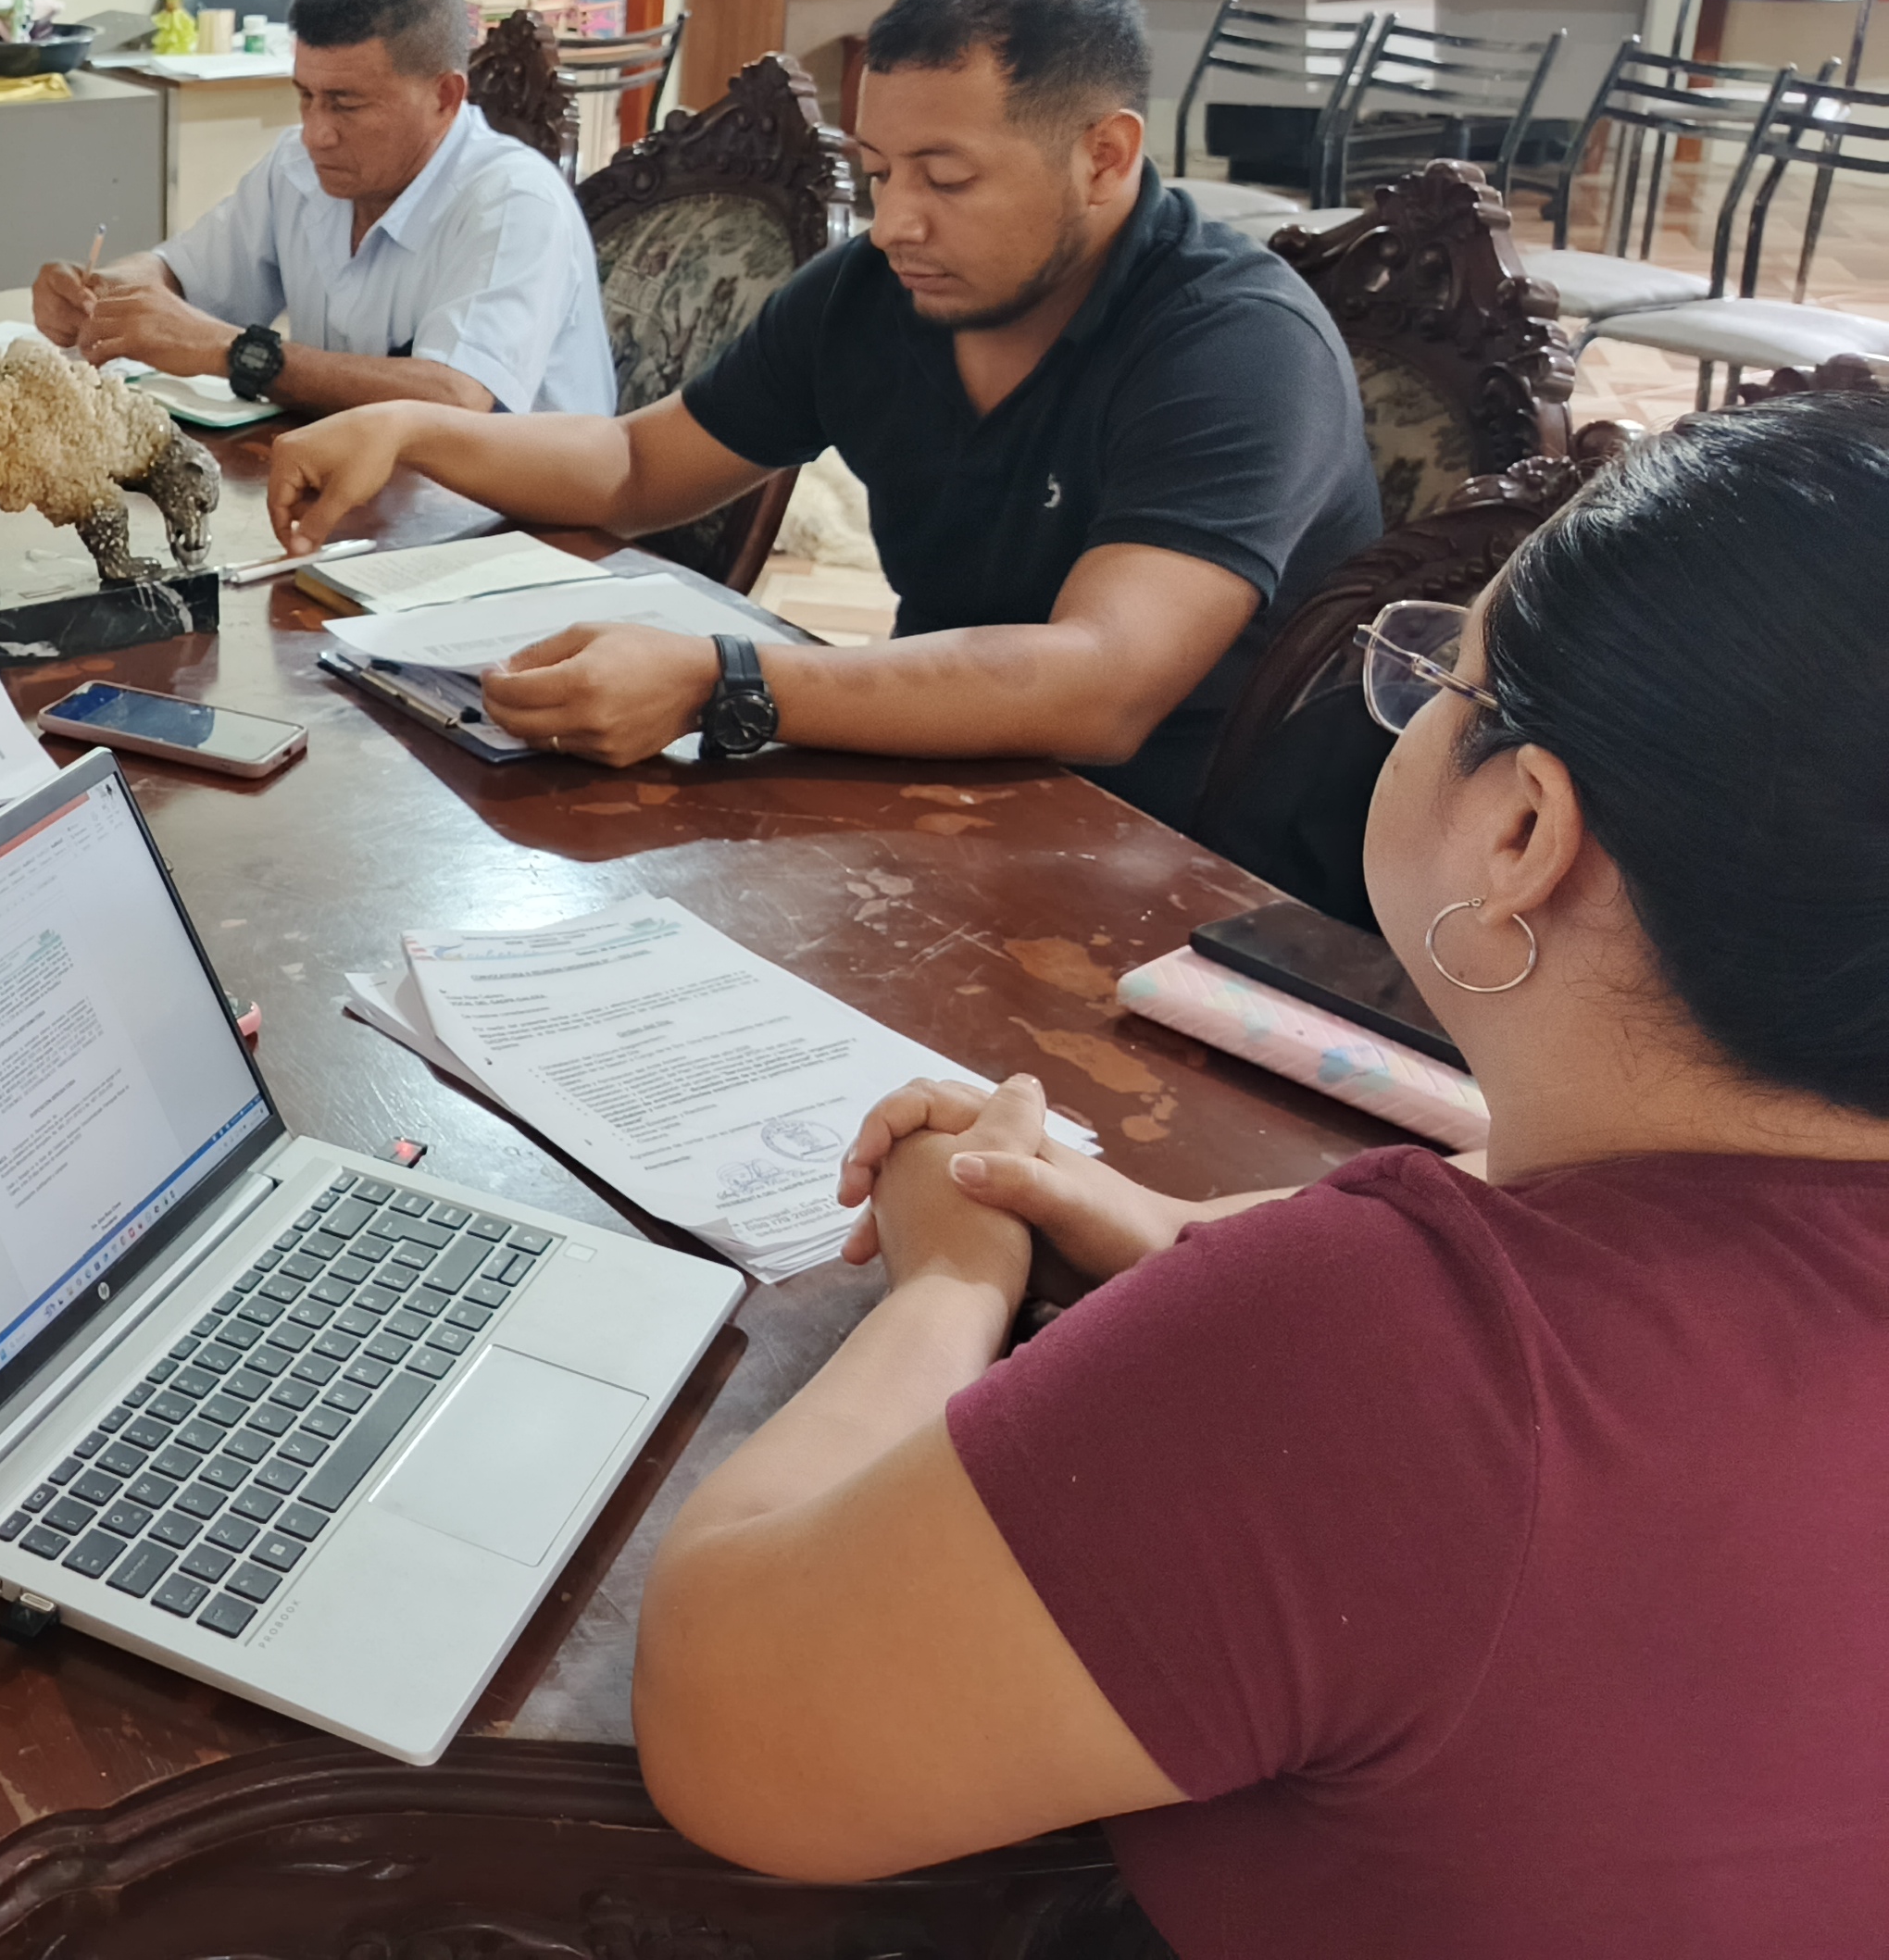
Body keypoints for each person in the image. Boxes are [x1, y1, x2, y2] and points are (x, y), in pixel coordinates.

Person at [632, 396, 1889, 1954]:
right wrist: (1163, 1233)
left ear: (1521, 830)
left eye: (1442, 677)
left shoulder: (1397, 1349)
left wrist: (951, 1279)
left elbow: (736, 1728)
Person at [268, 0, 1377, 830]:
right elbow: (637, 466)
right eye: (878, 174)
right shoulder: (875, 292)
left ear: (1103, 157)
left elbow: (1100, 684)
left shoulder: (1233, 346)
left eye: (946, 179)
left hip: (1180, 867)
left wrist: (722, 680)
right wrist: (410, 428)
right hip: (936, 787)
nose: (894, 224)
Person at [31, 0, 613, 418]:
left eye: (345, 104)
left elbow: (454, 398)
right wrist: (109, 290)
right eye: (305, 96)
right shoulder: (298, 168)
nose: (316, 133)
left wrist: (233, 352)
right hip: (353, 486)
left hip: (507, 516)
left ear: (444, 96)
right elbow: (184, 275)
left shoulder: (513, 201)